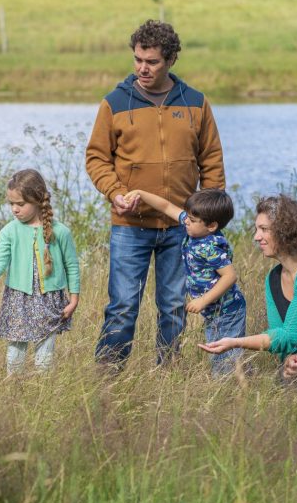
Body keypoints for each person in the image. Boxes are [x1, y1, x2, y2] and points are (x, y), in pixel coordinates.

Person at [86, 19, 225, 369]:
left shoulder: (196, 103)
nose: (142, 68)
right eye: (137, 60)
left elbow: (211, 160)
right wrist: (115, 192)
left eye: (152, 62)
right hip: (129, 226)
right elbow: (97, 158)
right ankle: (108, 374)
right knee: (122, 305)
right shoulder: (114, 103)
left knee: (174, 305)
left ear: (171, 60)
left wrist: (208, 217)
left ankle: (168, 375)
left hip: (181, 226)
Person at [199, 195, 297, 383]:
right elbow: (281, 337)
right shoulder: (273, 279)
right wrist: (291, 360)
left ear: (285, 231)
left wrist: (235, 342)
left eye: (264, 229)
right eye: (257, 229)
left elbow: (289, 336)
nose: (256, 237)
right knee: (283, 378)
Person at [125, 188, 246, 376]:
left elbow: (230, 276)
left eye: (192, 220)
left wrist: (202, 301)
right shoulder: (195, 227)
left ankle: (231, 388)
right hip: (214, 312)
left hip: (228, 311)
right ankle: (235, 377)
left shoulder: (210, 247)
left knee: (223, 357)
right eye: (187, 216)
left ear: (212, 226)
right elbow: (166, 206)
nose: (186, 221)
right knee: (218, 352)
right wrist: (141, 193)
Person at [0, 169, 80, 375]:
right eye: (11, 204)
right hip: (18, 299)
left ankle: (44, 395)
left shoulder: (60, 232)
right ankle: (13, 392)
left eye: (20, 204)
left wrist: (74, 299)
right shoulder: (9, 231)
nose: (14, 209)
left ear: (37, 200)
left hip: (50, 300)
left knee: (45, 358)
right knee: (15, 352)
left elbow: (72, 266)